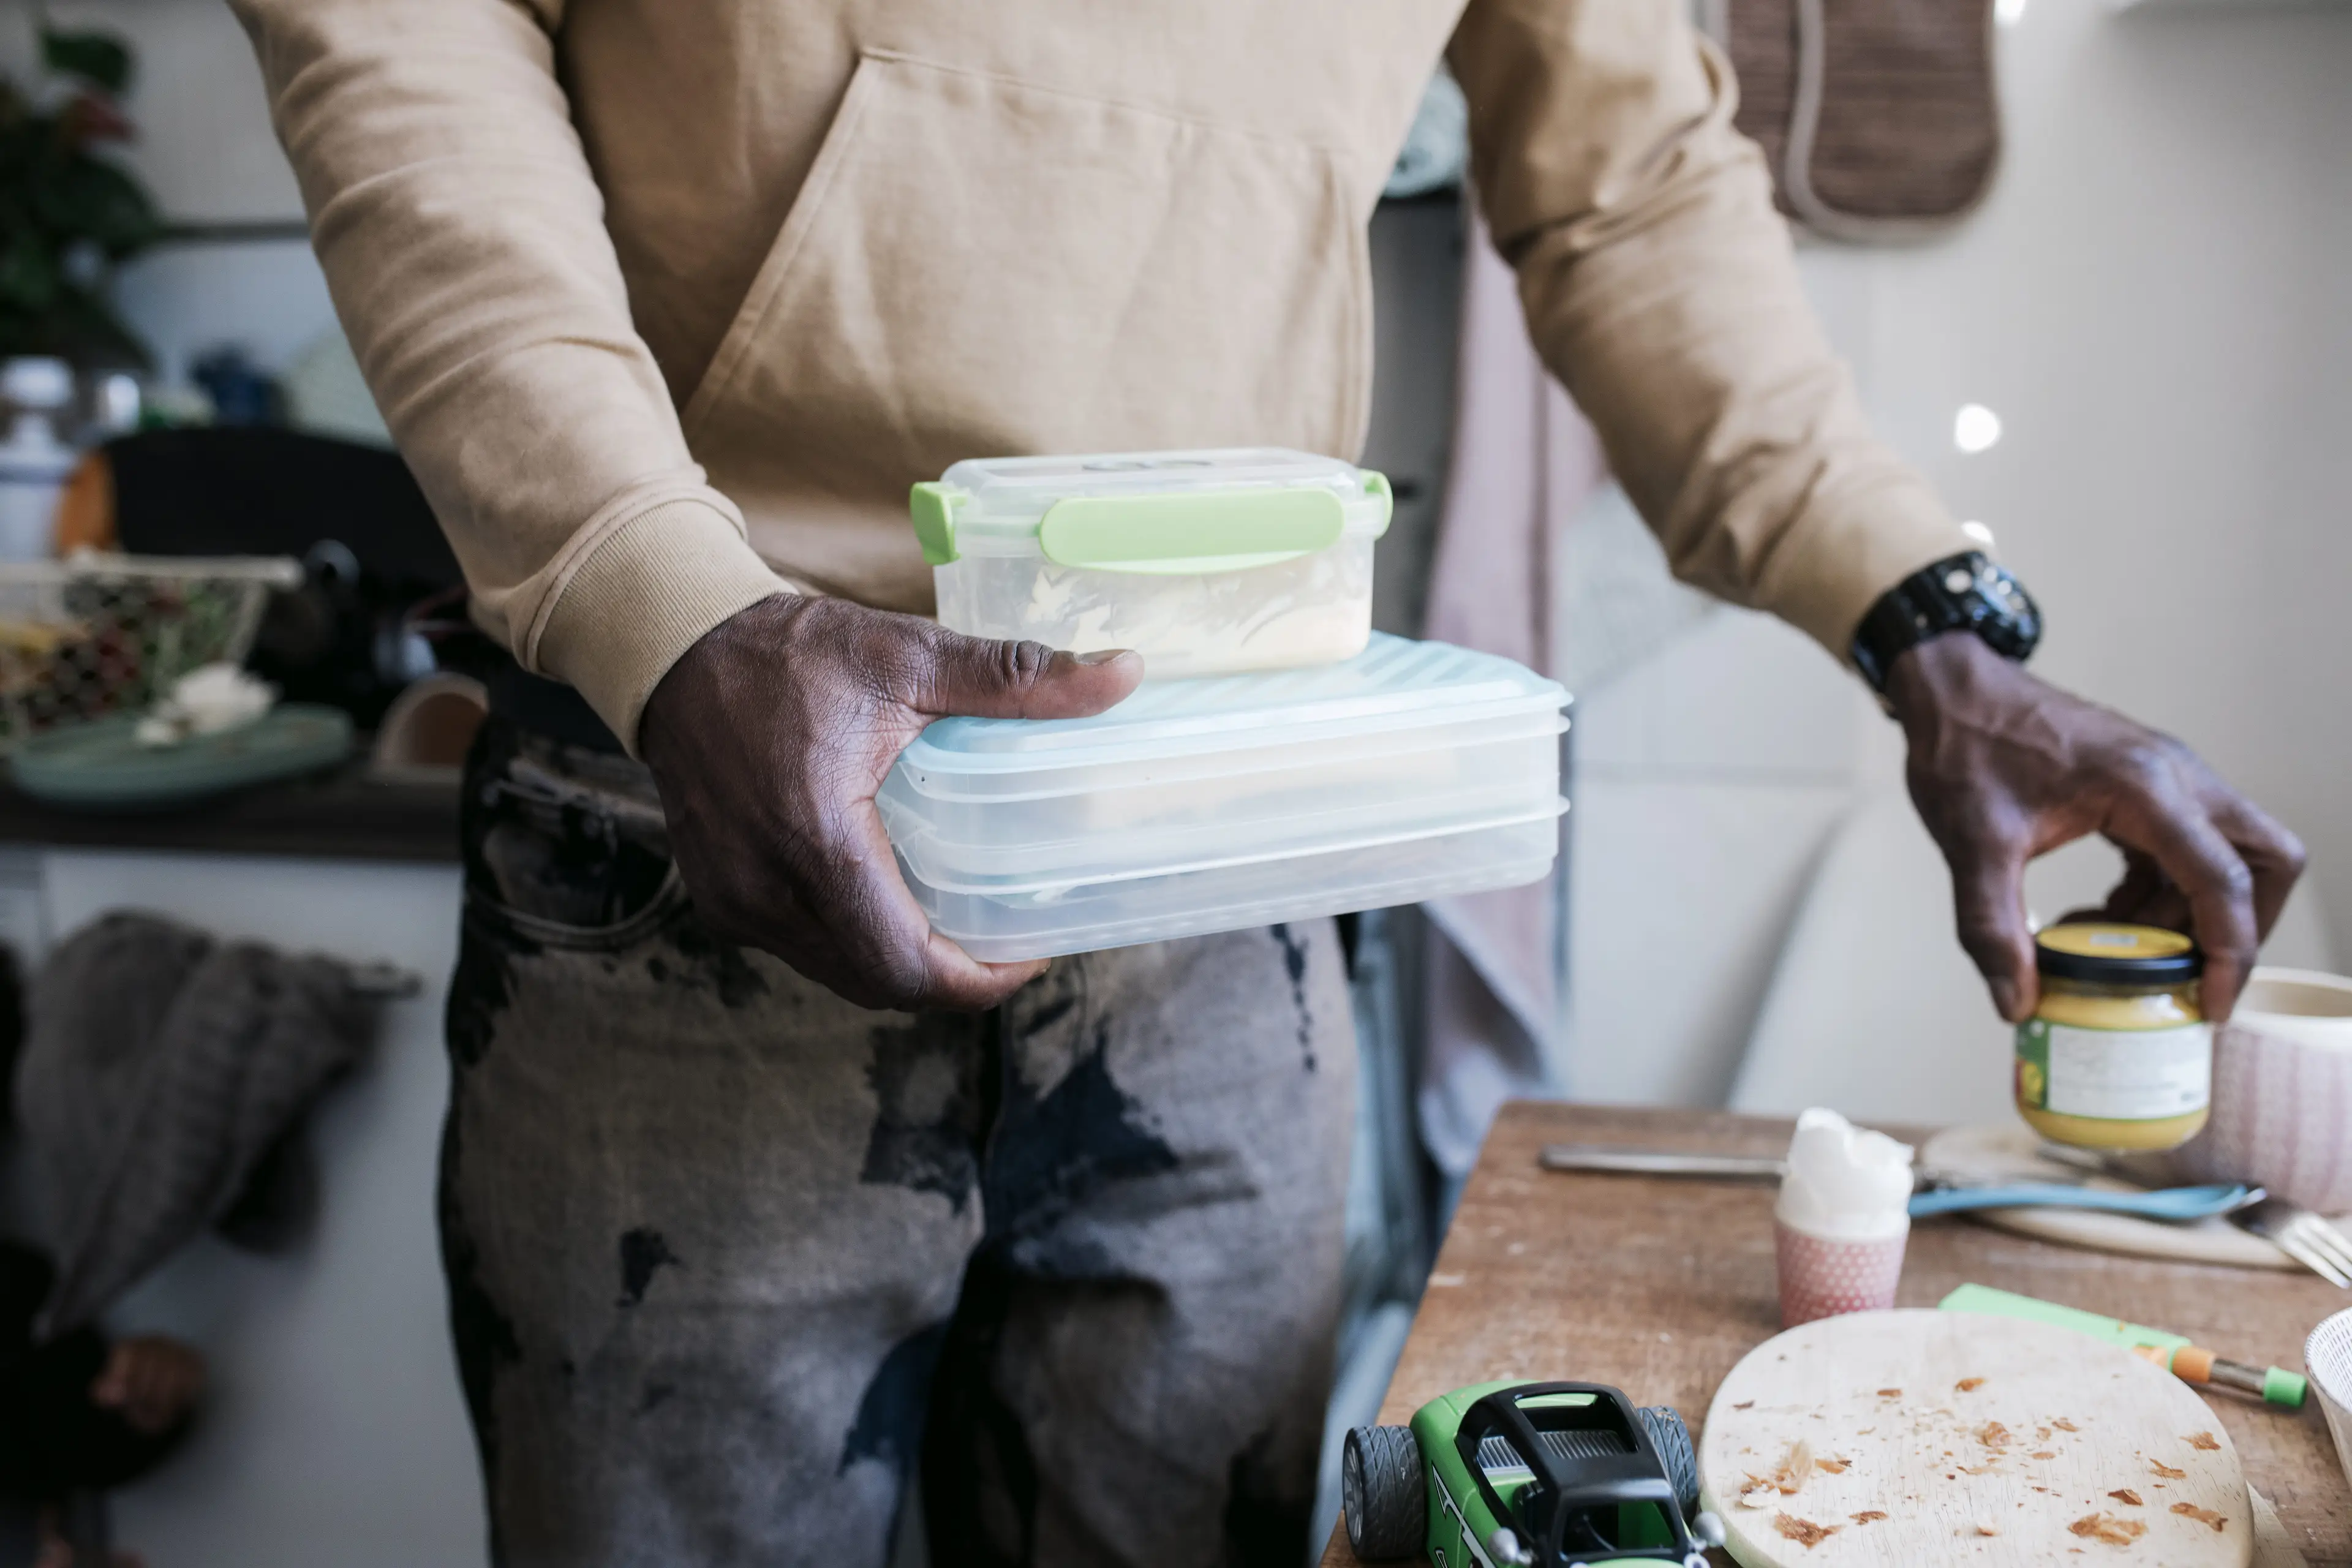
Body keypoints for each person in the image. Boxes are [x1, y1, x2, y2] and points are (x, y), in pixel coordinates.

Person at [230, 2, 2304, 1564]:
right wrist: (657, 596)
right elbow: (401, 40)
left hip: (1218, 863)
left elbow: (1635, 185)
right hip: (694, 826)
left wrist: (1930, 620)